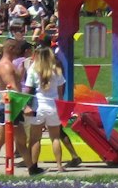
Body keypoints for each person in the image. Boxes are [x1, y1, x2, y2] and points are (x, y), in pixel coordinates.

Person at [21, 44, 79, 174]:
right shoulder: (56, 70)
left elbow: (28, 89)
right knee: (55, 138)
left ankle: (33, 165)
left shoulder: (33, 69)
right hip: (53, 106)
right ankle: (59, 165)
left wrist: (25, 105)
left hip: (38, 106)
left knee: (35, 139)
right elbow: (61, 90)